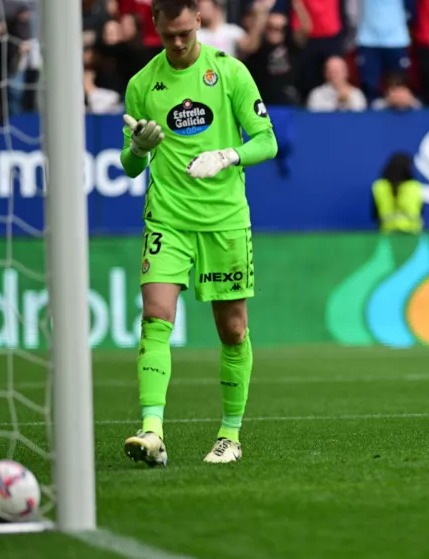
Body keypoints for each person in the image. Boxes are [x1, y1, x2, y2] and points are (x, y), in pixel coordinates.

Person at [119, 0, 278, 466]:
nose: (178, 42)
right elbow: (130, 167)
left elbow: (267, 140)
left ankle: (230, 435)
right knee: (156, 314)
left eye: (186, 32)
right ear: (156, 26)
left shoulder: (229, 73)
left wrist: (228, 156)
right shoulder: (142, 85)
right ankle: (152, 431)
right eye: (169, 35)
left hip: (224, 221)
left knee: (232, 330)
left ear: (199, 22)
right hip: (167, 218)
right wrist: (139, 149)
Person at [371, 153, 423, 234]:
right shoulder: (414, 187)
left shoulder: (379, 186)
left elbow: (374, 214)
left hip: (387, 234)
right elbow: (421, 212)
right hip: (412, 235)